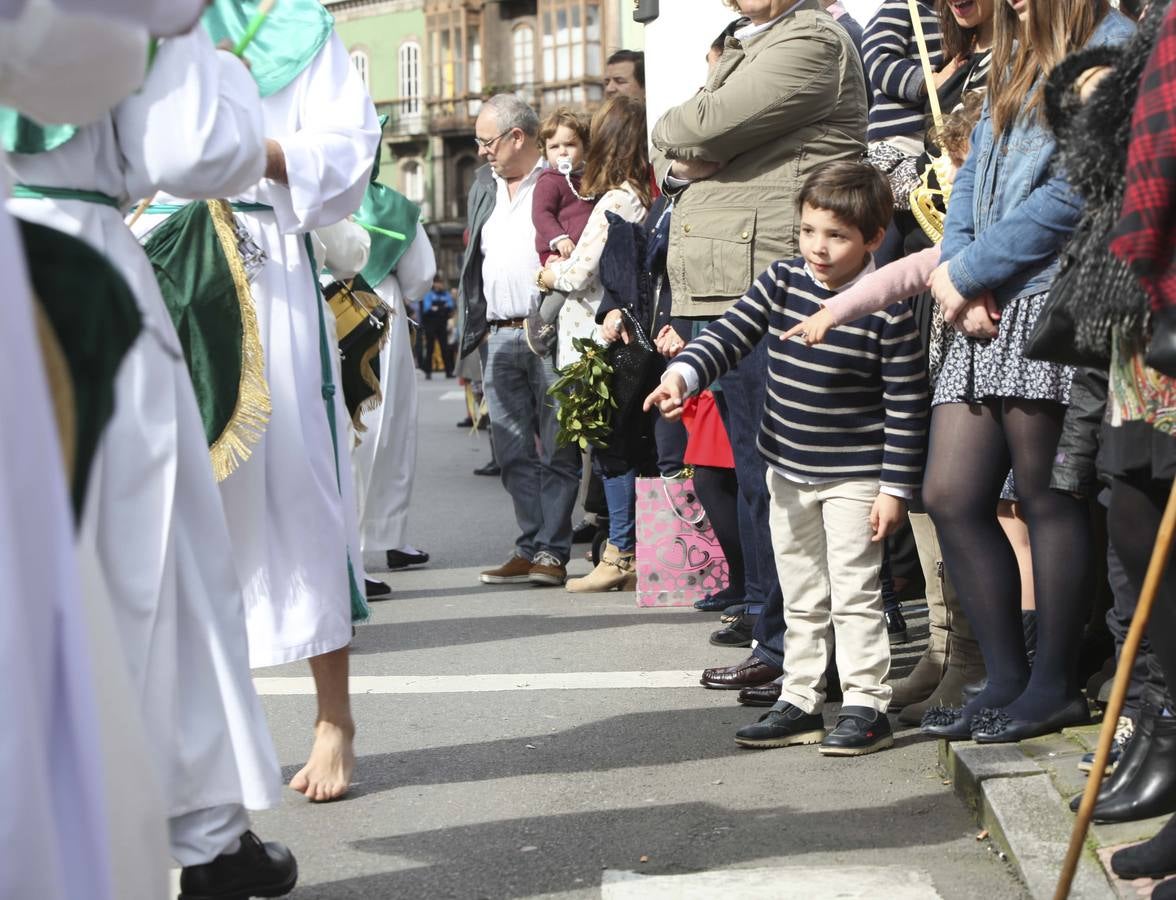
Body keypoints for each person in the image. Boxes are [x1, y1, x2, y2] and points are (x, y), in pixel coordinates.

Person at [6, 10, 299, 896]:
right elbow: (191, 150)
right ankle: (199, 837)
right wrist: (218, 67)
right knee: (155, 568)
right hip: (67, 268)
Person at [646, 161, 928, 755]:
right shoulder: (781, 281)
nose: (818, 249)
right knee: (800, 588)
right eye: (807, 231)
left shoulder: (887, 308)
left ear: (873, 239)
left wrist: (895, 489)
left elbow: (907, 404)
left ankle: (865, 705)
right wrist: (682, 376)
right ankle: (800, 698)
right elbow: (729, 335)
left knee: (854, 592)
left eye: (836, 236)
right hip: (787, 468)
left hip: (856, 478)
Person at [920, 0, 1134, 742]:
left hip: (1050, 298)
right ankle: (1007, 676)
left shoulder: (1112, 46)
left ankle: (1053, 685)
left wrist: (978, 269)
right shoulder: (1016, 50)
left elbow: (1076, 189)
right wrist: (957, 271)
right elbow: (974, 169)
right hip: (981, 305)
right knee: (950, 493)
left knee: (1047, 498)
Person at [651, 0, 868, 695]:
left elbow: (695, 125)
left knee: (781, 486)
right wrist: (682, 145)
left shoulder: (810, 40)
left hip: (769, 277)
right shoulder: (752, 42)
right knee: (756, 482)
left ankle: (803, 654)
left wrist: (683, 132)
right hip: (728, 278)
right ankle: (779, 641)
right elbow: (670, 152)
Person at [194, 0, 381, 800]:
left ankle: (333, 719)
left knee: (297, 487)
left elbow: (347, 149)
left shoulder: (295, 24)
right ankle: (198, 735)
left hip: (262, 254)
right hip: (148, 252)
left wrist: (251, 150)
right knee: (171, 507)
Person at [459, 93, 581, 587]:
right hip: (497, 332)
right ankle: (530, 544)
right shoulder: (482, 188)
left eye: (488, 142)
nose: (483, 151)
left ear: (518, 137)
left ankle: (551, 551)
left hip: (546, 330)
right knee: (510, 449)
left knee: (557, 447)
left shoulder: (557, 184)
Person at [537, 94, 653, 591]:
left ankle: (620, 552)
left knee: (610, 446)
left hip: (596, 336)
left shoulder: (615, 199)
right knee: (619, 444)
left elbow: (580, 272)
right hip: (617, 331)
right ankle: (622, 549)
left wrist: (548, 274)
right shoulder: (641, 193)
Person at [350, 171, 437, 594]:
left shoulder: (312, 190)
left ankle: (365, 547)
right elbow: (421, 275)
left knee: (347, 433)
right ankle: (383, 541)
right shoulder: (395, 206)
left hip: (323, 303)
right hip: (379, 310)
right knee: (388, 429)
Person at [525, 108, 596, 356]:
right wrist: (559, 238)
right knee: (562, 285)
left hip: (582, 250)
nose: (562, 151)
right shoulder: (549, 180)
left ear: (585, 147)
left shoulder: (588, 179)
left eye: (570, 144)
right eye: (554, 146)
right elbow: (541, 214)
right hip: (558, 248)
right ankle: (541, 322)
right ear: (545, 150)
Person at [420, 274, 455, 377]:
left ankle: (449, 371)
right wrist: (442, 308)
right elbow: (427, 309)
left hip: (442, 324)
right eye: (438, 283)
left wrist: (436, 308)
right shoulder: (429, 294)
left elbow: (450, 306)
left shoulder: (446, 294)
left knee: (444, 348)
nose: (440, 285)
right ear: (434, 284)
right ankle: (428, 372)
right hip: (430, 324)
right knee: (430, 348)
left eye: (441, 283)